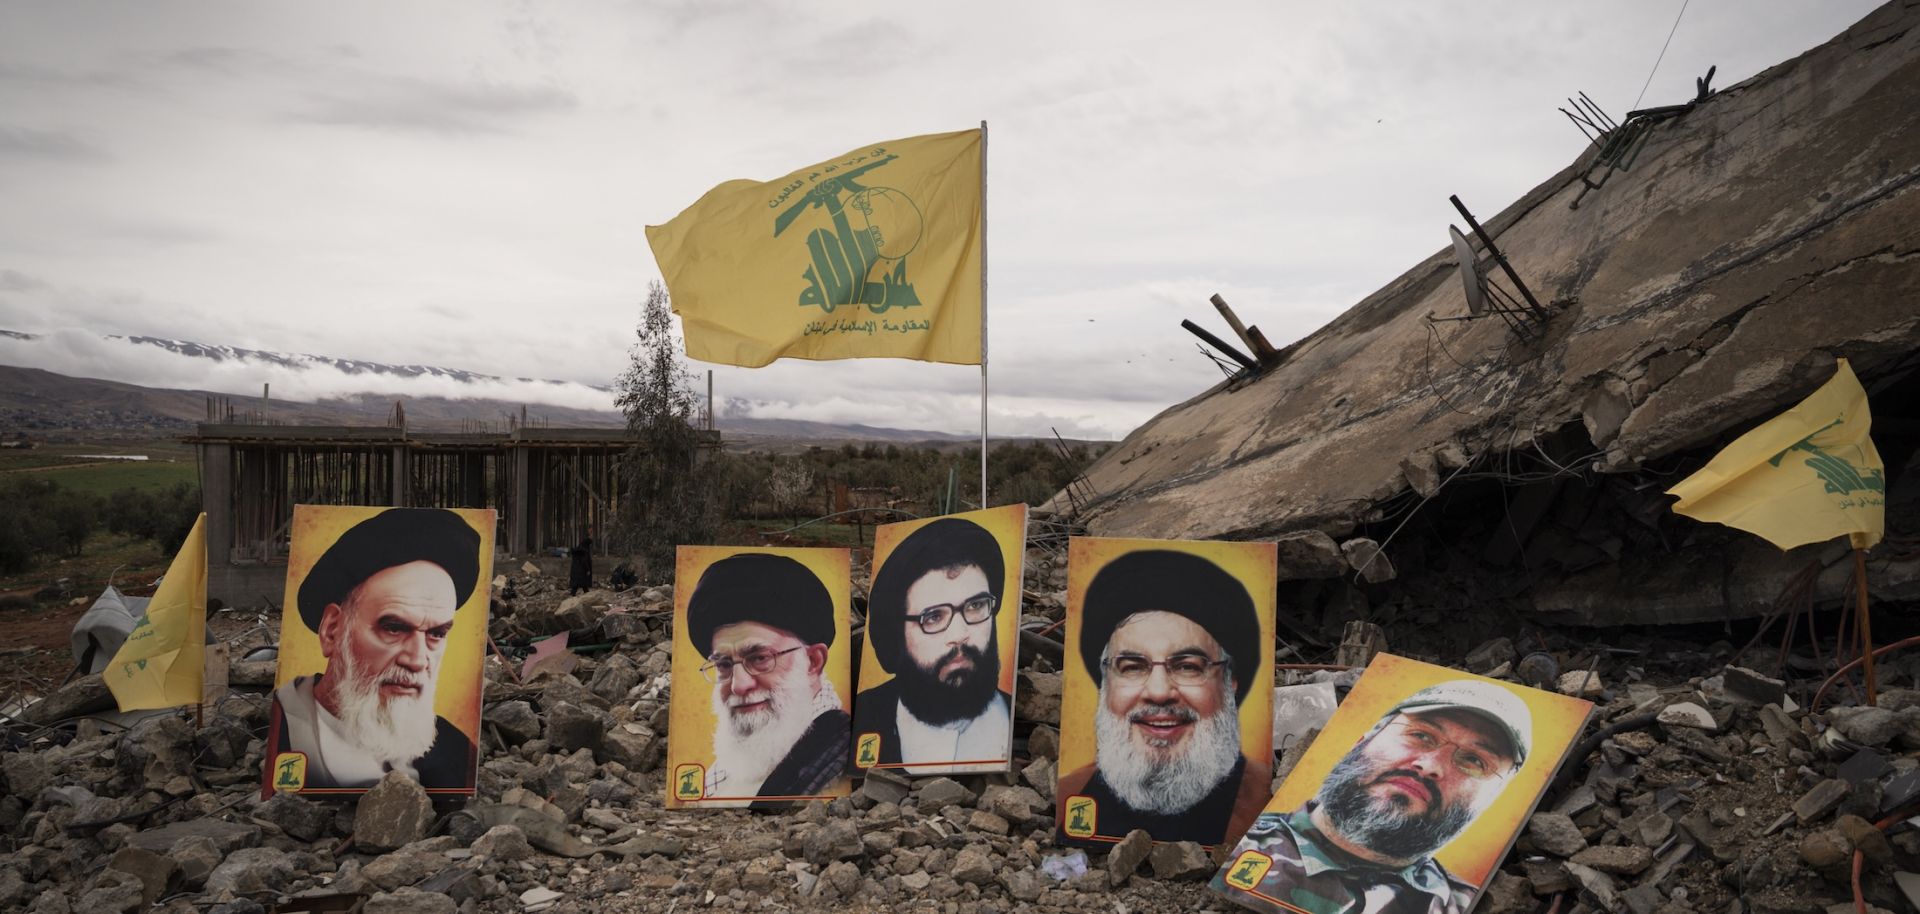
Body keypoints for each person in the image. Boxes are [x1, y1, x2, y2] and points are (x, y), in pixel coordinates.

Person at [1222, 681, 1534, 914]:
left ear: (1494, 796)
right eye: (1422, 735)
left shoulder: (1462, 903)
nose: (1429, 766)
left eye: (1474, 760)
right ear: (1363, 740)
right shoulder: (1239, 848)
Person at [1057, 549, 1269, 846]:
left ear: (1230, 681)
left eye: (1187, 667)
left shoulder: (1269, 807)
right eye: (1132, 667)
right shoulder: (1072, 794)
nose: (1158, 692)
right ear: (1105, 681)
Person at [266, 508, 482, 791]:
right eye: (393, 628)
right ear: (332, 630)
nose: (417, 660)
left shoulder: (455, 749)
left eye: (436, 634)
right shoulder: (284, 731)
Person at [687, 552, 849, 804]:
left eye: (759, 658)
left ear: (813, 662)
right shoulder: (718, 774)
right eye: (724, 664)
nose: (739, 685)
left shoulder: (839, 757)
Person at [852, 518, 1012, 768]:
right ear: (898, 635)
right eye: (934, 617)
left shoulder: (1016, 717)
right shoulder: (858, 720)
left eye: (976, 606)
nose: (960, 635)